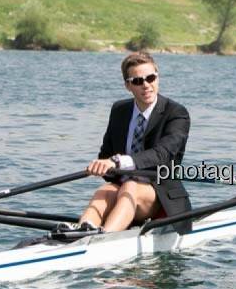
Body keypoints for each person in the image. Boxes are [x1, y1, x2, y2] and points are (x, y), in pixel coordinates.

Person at [77, 52, 191, 232]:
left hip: (159, 191)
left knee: (130, 187)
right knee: (104, 191)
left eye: (151, 78)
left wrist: (117, 162)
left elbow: (162, 154)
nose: (146, 85)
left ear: (157, 77)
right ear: (128, 86)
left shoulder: (176, 113)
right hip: (122, 187)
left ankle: (105, 238)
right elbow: (106, 154)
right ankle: (81, 231)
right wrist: (101, 165)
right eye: (138, 81)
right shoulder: (119, 110)